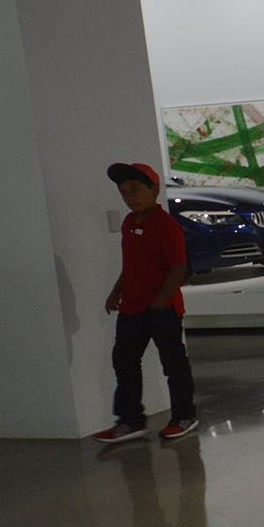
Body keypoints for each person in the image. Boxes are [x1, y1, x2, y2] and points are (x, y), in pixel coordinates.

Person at [96, 162, 198, 443]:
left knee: (173, 363)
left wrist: (159, 304)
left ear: (154, 189)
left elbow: (178, 268)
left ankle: (184, 416)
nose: (131, 198)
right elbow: (131, 265)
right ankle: (130, 420)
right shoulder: (129, 223)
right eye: (124, 193)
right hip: (132, 307)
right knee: (124, 360)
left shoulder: (167, 226)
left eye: (136, 190)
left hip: (161, 309)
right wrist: (116, 292)